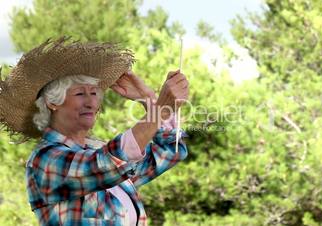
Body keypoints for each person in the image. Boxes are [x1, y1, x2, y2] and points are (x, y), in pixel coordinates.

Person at [0, 37, 189, 225]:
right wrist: (159, 109)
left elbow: (170, 151)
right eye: (80, 93)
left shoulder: (98, 157)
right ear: (52, 102)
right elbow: (106, 164)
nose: (91, 103)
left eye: (94, 93)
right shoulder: (45, 160)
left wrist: (147, 98)